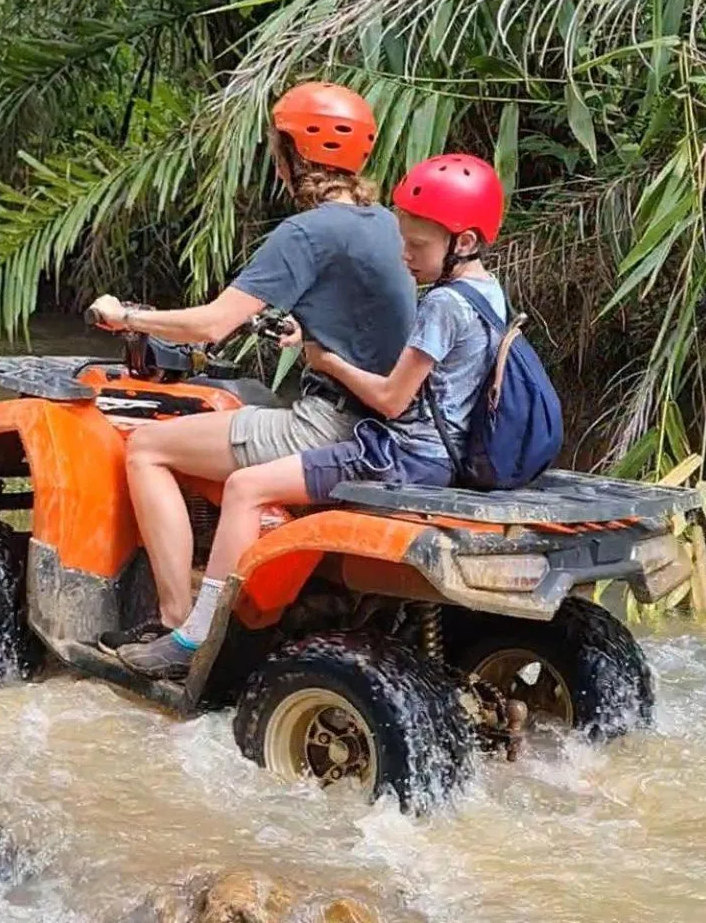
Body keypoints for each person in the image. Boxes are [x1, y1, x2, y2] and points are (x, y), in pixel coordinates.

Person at [119, 152, 511, 679]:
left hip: (399, 453)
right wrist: (315, 333)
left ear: (462, 243)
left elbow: (392, 401)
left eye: (416, 246)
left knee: (237, 484)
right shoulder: (486, 293)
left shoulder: (440, 303)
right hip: (437, 450)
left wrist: (326, 361)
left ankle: (191, 636)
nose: (404, 256)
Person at [86, 82, 415, 651]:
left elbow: (212, 325)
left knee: (147, 448)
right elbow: (373, 313)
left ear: (294, 154)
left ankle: (173, 622)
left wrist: (127, 317)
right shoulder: (386, 223)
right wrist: (312, 332)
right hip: (385, 424)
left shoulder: (307, 232)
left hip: (330, 424)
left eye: (277, 149)